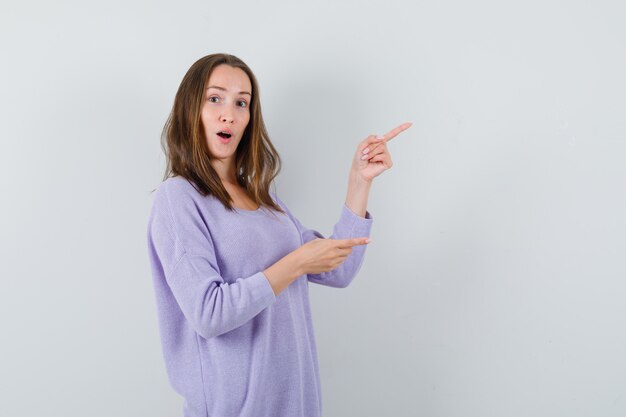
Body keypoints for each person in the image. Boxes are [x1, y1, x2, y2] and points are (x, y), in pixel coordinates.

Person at [146, 52, 411, 417]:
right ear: (190, 108)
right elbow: (209, 313)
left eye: (242, 103)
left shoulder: (264, 198)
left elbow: (338, 271)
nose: (230, 113)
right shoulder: (178, 198)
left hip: (297, 403)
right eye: (215, 98)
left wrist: (358, 181)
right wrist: (296, 263)